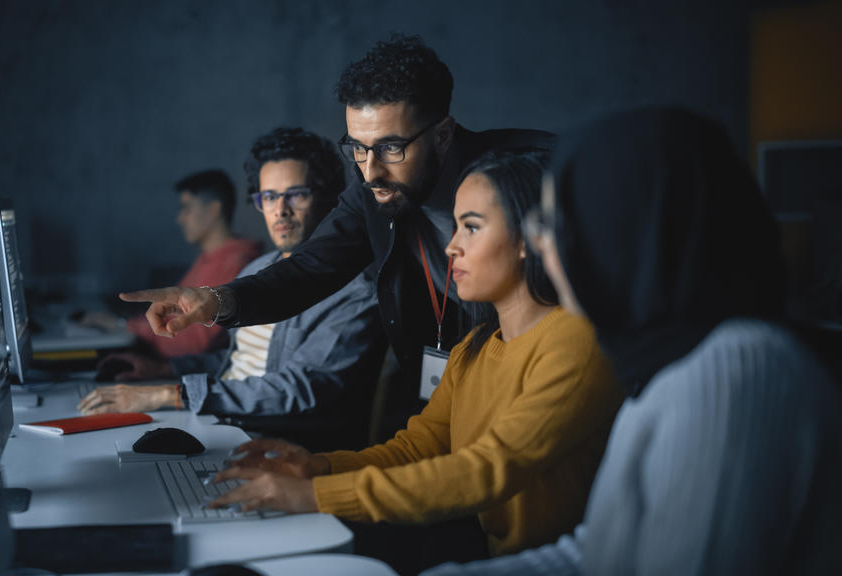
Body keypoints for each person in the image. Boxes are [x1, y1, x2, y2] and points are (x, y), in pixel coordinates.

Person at [423, 108, 842, 576]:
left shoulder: (731, 371)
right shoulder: (669, 363)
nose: (543, 246)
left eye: (554, 224)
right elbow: (600, 552)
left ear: (622, 230)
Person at [206, 151, 623, 574]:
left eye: (472, 227)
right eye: (457, 225)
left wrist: (316, 496)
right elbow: (418, 448)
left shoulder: (577, 342)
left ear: (528, 239)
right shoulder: (475, 345)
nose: (452, 246)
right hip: (495, 556)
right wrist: (318, 466)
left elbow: (486, 469)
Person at [119, 35, 553, 431]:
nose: (370, 171)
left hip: (550, 373)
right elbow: (308, 270)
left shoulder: (532, 174)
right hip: (461, 386)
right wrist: (213, 300)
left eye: (390, 148)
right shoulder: (373, 193)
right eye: (358, 149)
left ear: (443, 134)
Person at [79, 128, 386, 446]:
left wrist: (168, 394)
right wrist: (162, 369)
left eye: (296, 194)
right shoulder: (258, 271)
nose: (280, 210)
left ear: (328, 199)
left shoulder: (356, 291)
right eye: (268, 197)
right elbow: (239, 364)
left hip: (270, 443)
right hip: (219, 421)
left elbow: (300, 390)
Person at [95, 169, 262, 381]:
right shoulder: (210, 257)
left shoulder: (233, 262)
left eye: (186, 208)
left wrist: (123, 325)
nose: (180, 218)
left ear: (213, 210)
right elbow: (173, 315)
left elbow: (191, 343)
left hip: (190, 373)